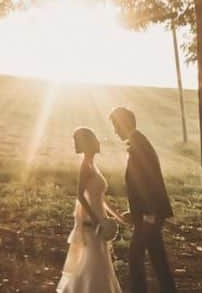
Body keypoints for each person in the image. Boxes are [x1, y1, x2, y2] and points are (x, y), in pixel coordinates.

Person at [108, 106, 177, 293]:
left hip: (150, 214)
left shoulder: (139, 145)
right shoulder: (138, 142)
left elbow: (149, 181)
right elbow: (142, 183)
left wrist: (148, 214)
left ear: (124, 123)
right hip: (148, 213)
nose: (114, 131)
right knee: (157, 257)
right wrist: (137, 211)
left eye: (115, 125)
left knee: (135, 256)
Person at [55, 126, 124, 293]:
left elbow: (101, 198)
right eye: (95, 139)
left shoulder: (93, 165)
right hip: (92, 220)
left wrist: (118, 217)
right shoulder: (85, 166)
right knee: (94, 261)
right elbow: (80, 195)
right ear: (90, 143)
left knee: (99, 260)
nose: (99, 142)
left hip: (100, 218)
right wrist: (96, 220)